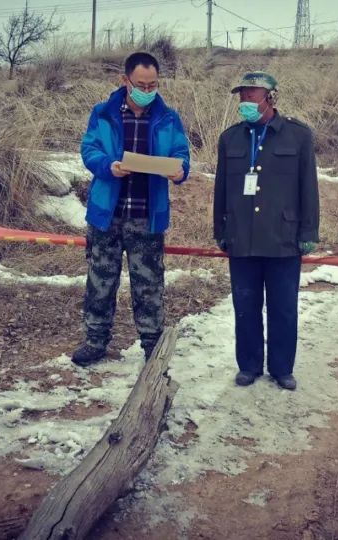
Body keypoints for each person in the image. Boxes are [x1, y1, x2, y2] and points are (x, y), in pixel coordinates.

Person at [71, 52, 191, 366]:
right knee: (100, 281)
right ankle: (95, 341)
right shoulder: (103, 113)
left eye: (153, 85)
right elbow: (89, 148)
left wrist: (180, 170)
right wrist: (107, 166)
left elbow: (181, 153)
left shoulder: (168, 118)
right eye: (141, 85)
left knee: (149, 285)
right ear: (125, 81)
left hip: (146, 216)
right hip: (107, 214)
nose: (147, 91)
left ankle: (153, 347)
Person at [212, 71, 319, 391]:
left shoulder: (298, 136)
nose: (244, 101)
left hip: (283, 237)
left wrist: (309, 231)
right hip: (242, 237)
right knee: (245, 307)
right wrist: (221, 228)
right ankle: (249, 365)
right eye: (242, 96)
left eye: (251, 95)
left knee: (283, 308)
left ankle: (282, 368)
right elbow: (221, 189)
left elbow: (308, 187)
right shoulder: (230, 138)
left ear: (270, 98)